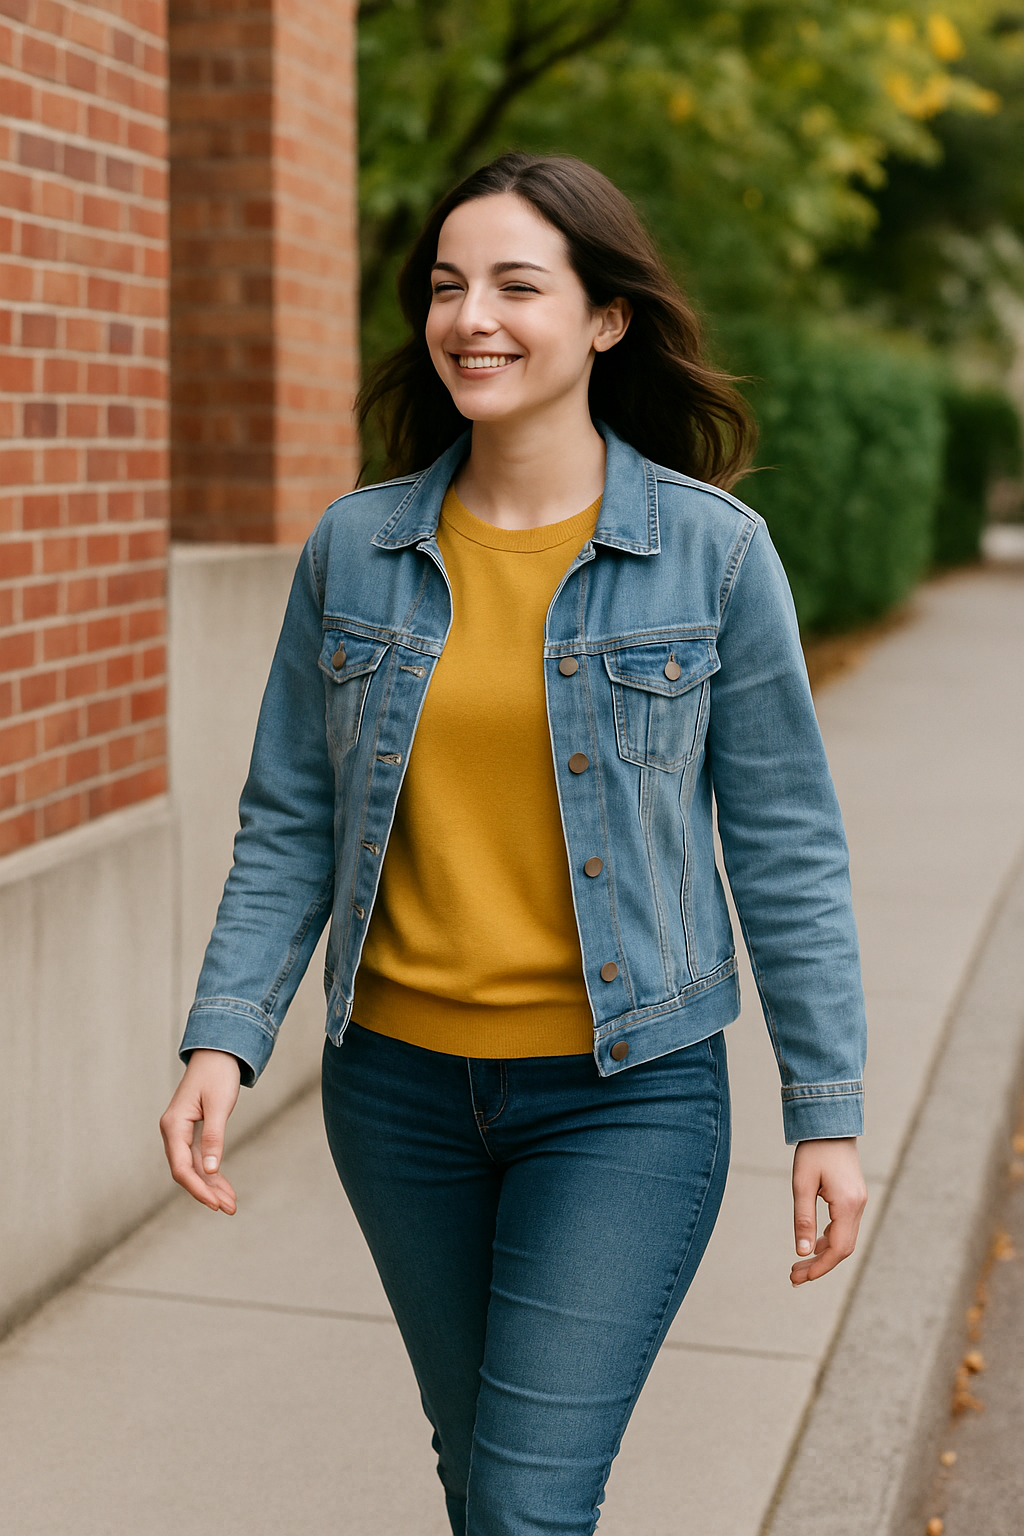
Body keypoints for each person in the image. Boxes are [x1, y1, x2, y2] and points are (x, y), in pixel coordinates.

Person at [160, 152, 868, 1536]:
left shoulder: (713, 558)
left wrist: (825, 1108)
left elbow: (788, 843)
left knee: (529, 1505)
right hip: (400, 1096)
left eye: (515, 285)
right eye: (445, 285)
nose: (469, 316)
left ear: (606, 318)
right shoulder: (355, 552)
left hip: (628, 1094)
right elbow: (291, 816)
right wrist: (222, 1033)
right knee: (482, 1476)